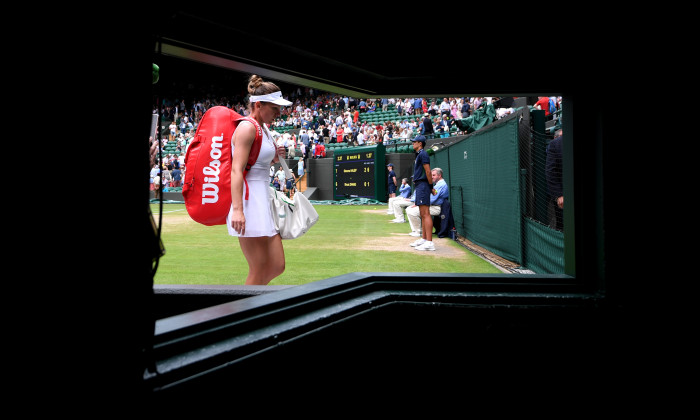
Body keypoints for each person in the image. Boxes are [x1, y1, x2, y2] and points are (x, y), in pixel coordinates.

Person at [227, 74, 292, 285]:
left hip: (260, 199)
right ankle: (244, 311)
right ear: (259, 104)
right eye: (275, 108)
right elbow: (236, 170)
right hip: (248, 202)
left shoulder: (262, 128)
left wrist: (273, 158)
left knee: (276, 265)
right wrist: (238, 210)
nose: (278, 113)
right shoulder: (247, 127)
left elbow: (254, 164)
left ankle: (249, 305)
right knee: (260, 267)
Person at [407, 136, 436, 251]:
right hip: (420, 185)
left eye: (414, 142)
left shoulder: (423, 154)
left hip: (423, 185)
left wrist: (430, 187)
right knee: (422, 213)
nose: (412, 143)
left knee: (426, 213)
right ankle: (424, 239)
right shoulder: (419, 154)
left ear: (420, 143)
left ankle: (429, 242)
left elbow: (428, 171)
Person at [406, 168, 448, 242]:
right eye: (431, 175)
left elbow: (432, 199)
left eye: (434, 175)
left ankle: (419, 232)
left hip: (436, 207)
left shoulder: (441, 184)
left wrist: (419, 204)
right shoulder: (437, 184)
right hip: (431, 206)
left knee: (412, 211)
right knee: (409, 209)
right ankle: (416, 231)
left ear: (440, 175)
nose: (432, 177)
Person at [545, 129, 564, 231]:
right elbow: (550, 172)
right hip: (560, 192)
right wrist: (558, 195)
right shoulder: (554, 145)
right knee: (562, 223)